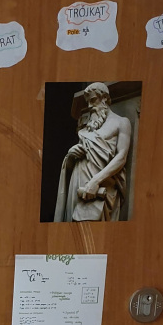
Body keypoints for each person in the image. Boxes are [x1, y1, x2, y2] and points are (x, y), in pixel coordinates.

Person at [54, 82, 132, 222]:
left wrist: (95, 181)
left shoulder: (121, 122)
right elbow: (75, 161)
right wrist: (71, 155)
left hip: (101, 186)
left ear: (105, 98)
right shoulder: (86, 129)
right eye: (87, 102)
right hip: (78, 184)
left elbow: (121, 157)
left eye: (93, 100)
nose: (90, 106)